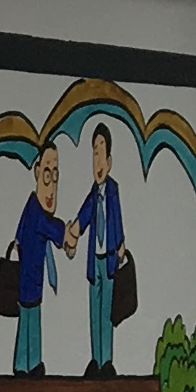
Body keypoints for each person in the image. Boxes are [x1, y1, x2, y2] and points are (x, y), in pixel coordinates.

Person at [1, 141, 76, 378]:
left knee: (29, 321)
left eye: (55, 176)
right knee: (30, 322)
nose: (51, 185)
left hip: (30, 279)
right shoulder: (35, 211)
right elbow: (48, 227)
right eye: (46, 174)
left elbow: (21, 234)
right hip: (29, 280)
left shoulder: (31, 207)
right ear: (36, 172)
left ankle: (27, 364)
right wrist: (66, 233)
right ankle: (27, 364)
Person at [73, 120, 128, 378]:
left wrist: (121, 244)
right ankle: (95, 360)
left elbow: (116, 218)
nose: (97, 161)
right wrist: (73, 230)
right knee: (94, 312)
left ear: (110, 161)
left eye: (101, 153)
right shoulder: (93, 194)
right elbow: (83, 216)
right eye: (94, 154)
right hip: (93, 260)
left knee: (107, 312)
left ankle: (106, 360)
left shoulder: (113, 190)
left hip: (109, 259)